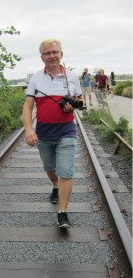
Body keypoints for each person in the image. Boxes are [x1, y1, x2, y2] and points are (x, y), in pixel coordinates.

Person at [22, 39, 83, 228]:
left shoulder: (72, 77)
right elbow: (28, 105)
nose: (52, 56)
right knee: (50, 167)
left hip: (66, 131)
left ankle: (62, 213)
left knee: (66, 171)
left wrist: (71, 104)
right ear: (42, 57)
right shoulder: (36, 79)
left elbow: (79, 97)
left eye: (55, 52)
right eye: (47, 53)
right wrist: (29, 129)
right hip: (44, 133)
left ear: (61, 54)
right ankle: (55, 186)